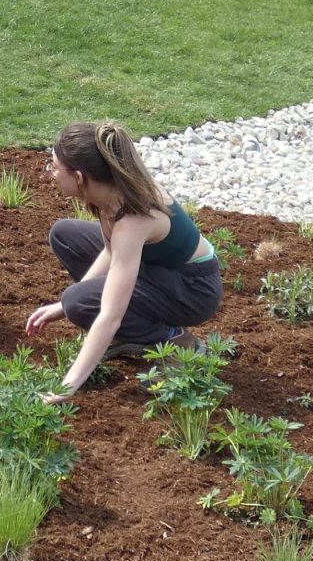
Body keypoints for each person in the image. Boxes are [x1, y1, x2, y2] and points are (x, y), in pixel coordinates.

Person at [25, 121, 222, 395]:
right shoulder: (110, 191)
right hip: (159, 269)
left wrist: (65, 388)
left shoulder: (132, 218)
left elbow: (109, 315)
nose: (50, 173)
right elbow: (110, 251)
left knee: (79, 303)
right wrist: (60, 304)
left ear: (80, 177)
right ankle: (132, 333)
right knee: (65, 235)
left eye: (54, 167)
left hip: (192, 290)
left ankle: (174, 340)